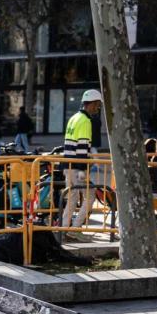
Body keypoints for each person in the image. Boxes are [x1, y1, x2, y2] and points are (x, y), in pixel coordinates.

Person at [60, 89, 104, 240]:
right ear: (91, 104)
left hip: (67, 164)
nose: (97, 109)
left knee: (71, 198)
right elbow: (83, 147)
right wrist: (82, 169)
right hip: (77, 166)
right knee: (90, 197)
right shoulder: (86, 121)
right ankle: (75, 228)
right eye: (97, 105)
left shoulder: (74, 118)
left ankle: (64, 228)